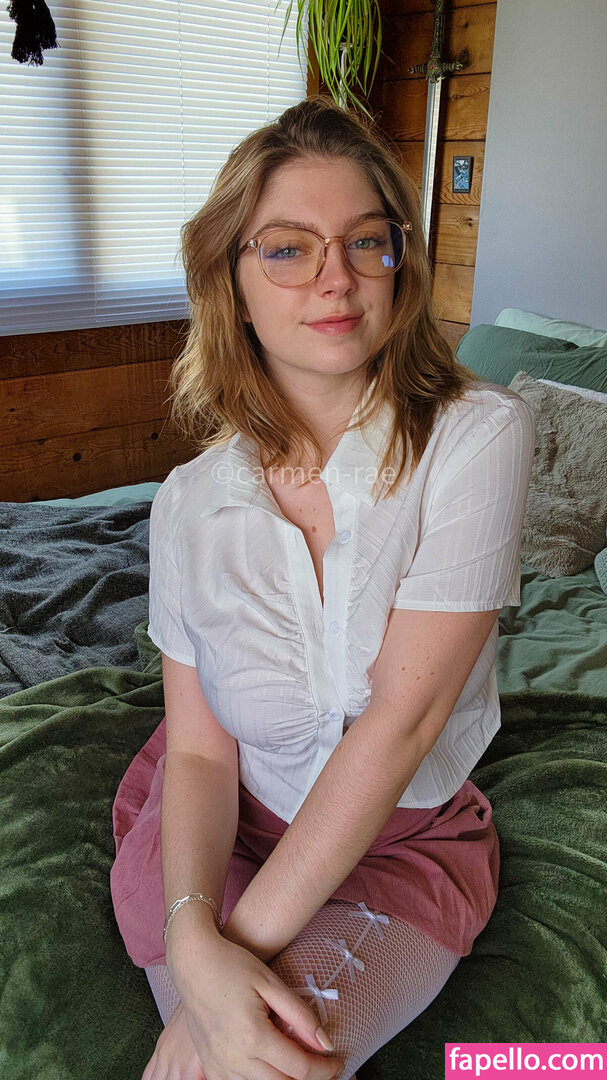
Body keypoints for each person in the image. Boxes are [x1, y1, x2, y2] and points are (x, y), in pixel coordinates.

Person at [110, 96, 536, 1080]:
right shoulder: (187, 502)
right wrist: (193, 936)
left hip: (397, 839)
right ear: (231, 282)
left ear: (399, 261)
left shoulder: (477, 436)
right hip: (219, 829)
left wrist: (215, 991)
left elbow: (401, 725)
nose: (334, 278)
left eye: (363, 242)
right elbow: (199, 754)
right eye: (287, 249)